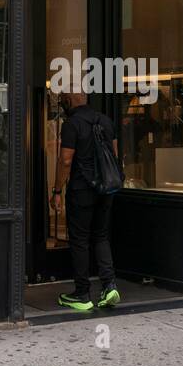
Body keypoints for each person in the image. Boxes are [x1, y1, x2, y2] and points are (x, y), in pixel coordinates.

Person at [51, 90, 121, 312]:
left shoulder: (72, 124)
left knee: (79, 240)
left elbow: (65, 160)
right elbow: (115, 155)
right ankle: (109, 286)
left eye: (62, 99)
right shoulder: (106, 121)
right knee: (101, 235)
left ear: (70, 100)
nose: (61, 104)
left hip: (82, 189)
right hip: (106, 188)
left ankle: (82, 293)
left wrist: (56, 191)